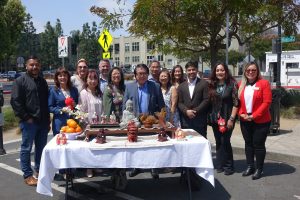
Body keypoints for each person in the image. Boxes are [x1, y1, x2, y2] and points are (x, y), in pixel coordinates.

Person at [10, 56, 50, 186]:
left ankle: (39, 170)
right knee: (26, 148)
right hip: (29, 122)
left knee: (41, 148)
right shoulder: (20, 81)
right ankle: (27, 174)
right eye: (32, 65)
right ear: (26, 66)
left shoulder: (42, 81)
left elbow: (45, 102)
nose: (34, 67)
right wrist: (26, 117)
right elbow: (15, 102)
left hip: (42, 121)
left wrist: (48, 120)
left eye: (36, 65)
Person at [123, 63, 165, 179]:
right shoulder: (129, 87)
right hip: (134, 121)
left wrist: (160, 119)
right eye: (139, 74)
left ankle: (153, 167)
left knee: (152, 145)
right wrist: (126, 119)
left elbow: (161, 105)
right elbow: (124, 105)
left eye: (144, 74)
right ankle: (136, 166)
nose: (142, 76)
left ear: (148, 74)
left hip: (151, 121)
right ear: (135, 76)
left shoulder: (155, 86)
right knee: (136, 146)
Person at [238, 62, 272, 180]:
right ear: (245, 72)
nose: (251, 72)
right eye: (248, 70)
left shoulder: (264, 83)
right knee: (248, 144)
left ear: (257, 72)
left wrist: (254, 116)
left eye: (253, 70)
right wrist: (241, 114)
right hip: (245, 119)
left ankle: (259, 169)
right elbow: (238, 103)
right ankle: (250, 166)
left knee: (258, 145)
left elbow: (266, 102)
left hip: (261, 120)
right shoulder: (241, 85)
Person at [208, 62, 239, 175]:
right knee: (218, 141)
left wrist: (231, 119)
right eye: (217, 70)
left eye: (222, 70)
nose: (219, 72)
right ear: (214, 72)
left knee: (225, 141)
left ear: (226, 71)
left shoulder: (232, 84)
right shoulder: (212, 84)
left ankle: (229, 166)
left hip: (227, 117)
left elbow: (236, 103)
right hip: (216, 118)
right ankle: (220, 164)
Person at [79, 69, 103, 178]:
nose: (93, 81)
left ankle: (95, 165)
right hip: (88, 124)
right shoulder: (84, 93)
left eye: (95, 78)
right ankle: (89, 168)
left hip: (99, 124)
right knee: (88, 147)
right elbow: (82, 111)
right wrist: (86, 124)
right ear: (86, 80)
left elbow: (102, 109)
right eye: (90, 78)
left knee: (97, 145)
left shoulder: (99, 93)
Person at [177, 61, 209, 138]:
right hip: (186, 121)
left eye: (193, 69)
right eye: (189, 70)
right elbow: (179, 102)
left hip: (200, 121)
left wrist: (195, 111)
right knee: (187, 144)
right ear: (186, 71)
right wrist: (186, 111)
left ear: (197, 70)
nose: (191, 72)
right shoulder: (181, 86)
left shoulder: (204, 83)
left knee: (200, 142)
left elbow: (206, 100)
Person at [48, 67, 79, 136]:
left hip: (73, 123)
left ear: (68, 77)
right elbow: (50, 107)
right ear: (57, 77)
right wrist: (61, 110)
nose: (63, 77)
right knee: (60, 143)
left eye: (65, 75)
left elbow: (78, 106)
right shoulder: (53, 91)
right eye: (60, 76)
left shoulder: (74, 90)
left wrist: (75, 105)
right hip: (59, 123)